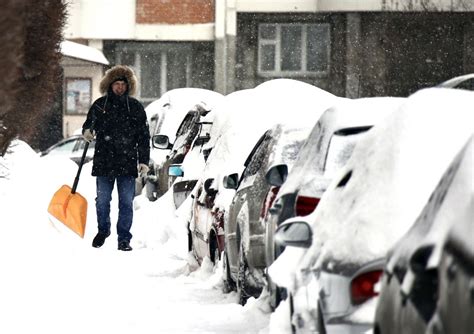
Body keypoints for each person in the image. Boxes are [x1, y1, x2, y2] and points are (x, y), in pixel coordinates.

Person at [82, 65, 150, 251]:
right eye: (116, 84)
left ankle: (124, 238)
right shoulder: (100, 105)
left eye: (123, 84)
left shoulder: (135, 108)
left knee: (126, 202)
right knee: (102, 200)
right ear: (110, 85)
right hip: (104, 161)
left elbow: (144, 137)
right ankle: (103, 230)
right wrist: (87, 131)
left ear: (128, 87)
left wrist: (143, 161)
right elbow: (89, 124)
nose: (119, 87)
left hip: (127, 163)